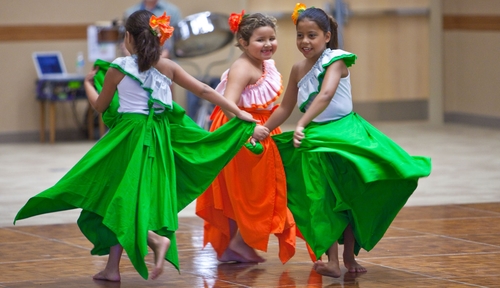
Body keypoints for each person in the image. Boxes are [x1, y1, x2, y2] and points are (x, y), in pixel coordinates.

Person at [14, 10, 265, 282]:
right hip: (159, 137)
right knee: (127, 197)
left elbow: (100, 106)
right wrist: (239, 113)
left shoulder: (118, 68)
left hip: (129, 138)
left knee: (116, 196)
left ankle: (154, 240)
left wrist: (88, 84)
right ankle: (112, 268)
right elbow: (205, 90)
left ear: (129, 38)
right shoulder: (166, 66)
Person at [257, 3, 432, 278]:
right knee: (321, 199)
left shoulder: (336, 59)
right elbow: (284, 107)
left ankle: (348, 256)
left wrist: (302, 123)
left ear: (327, 36)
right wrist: (264, 130)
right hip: (316, 142)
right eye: (300, 35)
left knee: (348, 197)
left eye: (312, 35)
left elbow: (326, 95)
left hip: (346, 135)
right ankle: (333, 261)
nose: (305, 41)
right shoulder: (297, 68)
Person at [195, 12, 296, 264]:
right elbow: (228, 104)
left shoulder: (264, 64)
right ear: (242, 41)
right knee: (250, 189)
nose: (268, 44)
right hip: (240, 127)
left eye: (272, 38)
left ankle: (235, 244)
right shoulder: (242, 67)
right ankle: (237, 242)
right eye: (260, 40)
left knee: (251, 188)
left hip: (260, 125)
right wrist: (249, 130)